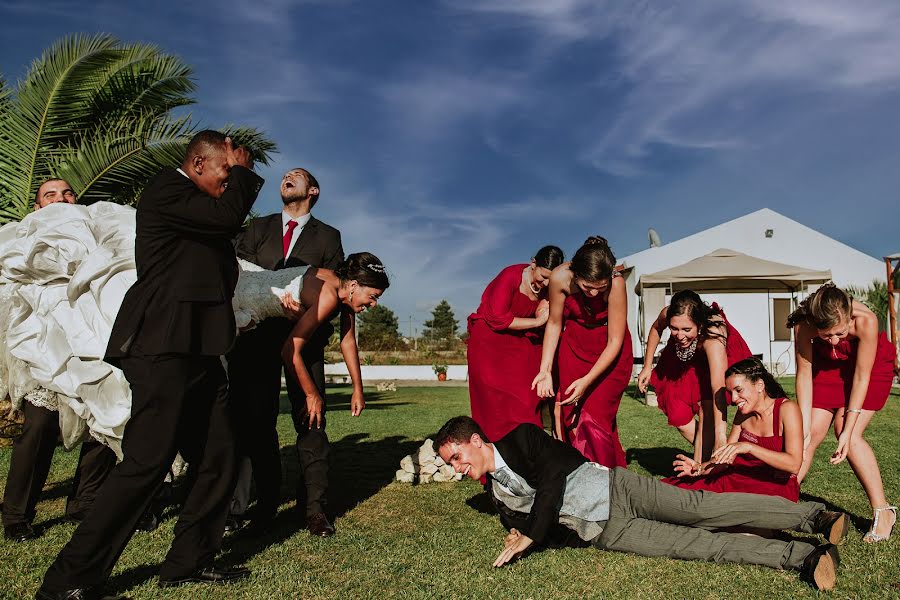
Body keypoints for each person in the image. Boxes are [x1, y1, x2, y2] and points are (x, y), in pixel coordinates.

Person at [37, 130, 263, 598]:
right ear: (199, 164)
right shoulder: (166, 188)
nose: (230, 182)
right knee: (145, 462)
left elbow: (218, 236)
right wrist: (242, 174)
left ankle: (188, 562)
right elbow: (224, 217)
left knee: (218, 456)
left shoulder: (201, 210)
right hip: (161, 347)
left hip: (199, 351)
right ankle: (68, 579)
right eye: (225, 172)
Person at [434, 416, 846, 591]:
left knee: (705, 509)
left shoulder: (523, 437)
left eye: (456, 457)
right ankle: (804, 559)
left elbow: (552, 481)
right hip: (609, 532)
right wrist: (517, 531)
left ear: (475, 440)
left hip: (621, 489)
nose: (456, 468)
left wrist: (530, 534)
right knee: (703, 547)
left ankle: (813, 516)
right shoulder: (495, 492)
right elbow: (523, 516)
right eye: (451, 465)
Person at [228, 167, 344, 536]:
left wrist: (307, 314)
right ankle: (256, 505)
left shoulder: (329, 236)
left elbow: (333, 289)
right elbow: (238, 273)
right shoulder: (257, 228)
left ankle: (314, 510)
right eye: (285, 174)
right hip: (255, 337)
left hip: (304, 341)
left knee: (311, 422)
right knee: (254, 422)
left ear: (314, 190)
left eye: (298, 175)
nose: (287, 176)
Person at [2, 179, 116, 543]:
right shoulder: (20, 235)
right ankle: (17, 515)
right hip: (42, 344)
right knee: (39, 426)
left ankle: (83, 501)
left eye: (67, 193)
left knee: (103, 420)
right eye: (50, 194)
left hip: (91, 337)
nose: (61, 198)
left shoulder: (96, 228)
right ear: (37, 207)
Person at [788, 283, 897, 542]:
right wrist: (802, 429)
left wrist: (848, 429)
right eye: (827, 335)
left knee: (846, 432)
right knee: (811, 432)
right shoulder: (804, 326)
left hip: (869, 367)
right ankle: (784, 498)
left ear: (849, 318)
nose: (835, 340)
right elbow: (804, 377)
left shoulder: (867, 321)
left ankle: (884, 511)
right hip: (828, 364)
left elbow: (861, 378)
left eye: (840, 332)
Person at [531, 236, 631, 467]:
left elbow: (616, 340)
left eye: (600, 288)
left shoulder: (617, 283)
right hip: (574, 348)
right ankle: (585, 474)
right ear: (576, 274)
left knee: (595, 417)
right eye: (587, 288)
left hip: (610, 352)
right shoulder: (559, 278)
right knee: (570, 417)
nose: (594, 295)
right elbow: (555, 324)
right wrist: (545, 369)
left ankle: (603, 480)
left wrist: (586, 381)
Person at [665, 358, 802, 502]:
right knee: (675, 490)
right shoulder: (742, 414)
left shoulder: (787, 409)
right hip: (736, 479)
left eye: (739, 390)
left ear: (760, 385)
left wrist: (748, 447)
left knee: (724, 509)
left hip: (772, 487)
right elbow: (724, 461)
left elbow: (793, 464)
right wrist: (699, 469)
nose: (734, 399)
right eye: (731, 393)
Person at [279, 254, 389, 434]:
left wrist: (358, 389)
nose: (374, 304)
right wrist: (312, 394)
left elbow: (348, 341)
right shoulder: (329, 296)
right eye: (373, 296)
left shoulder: (343, 291)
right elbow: (289, 350)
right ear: (354, 285)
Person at [637, 291, 752, 461]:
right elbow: (656, 329)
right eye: (674, 328)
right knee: (676, 411)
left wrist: (721, 436)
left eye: (686, 329)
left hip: (713, 357)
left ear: (699, 323)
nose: (680, 335)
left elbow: (718, 390)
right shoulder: (667, 314)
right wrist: (647, 367)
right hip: (682, 356)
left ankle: (707, 459)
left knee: (707, 408)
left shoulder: (713, 336)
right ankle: (715, 454)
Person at [467, 246, 564, 441]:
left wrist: (544, 308)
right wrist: (537, 321)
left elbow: (551, 313)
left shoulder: (550, 287)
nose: (545, 283)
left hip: (520, 346)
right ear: (533, 263)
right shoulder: (510, 276)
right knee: (493, 406)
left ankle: (527, 449)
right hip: (490, 344)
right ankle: (494, 453)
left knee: (527, 400)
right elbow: (498, 319)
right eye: (543, 276)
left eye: (550, 279)